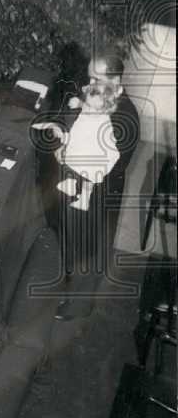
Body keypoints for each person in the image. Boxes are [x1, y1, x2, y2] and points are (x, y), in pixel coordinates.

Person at [43, 50, 140, 321]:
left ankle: (77, 307)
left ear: (116, 80)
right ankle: (64, 284)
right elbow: (76, 121)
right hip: (74, 181)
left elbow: (109, 165)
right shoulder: (97, 93)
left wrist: (69, 157)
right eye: (89, 77)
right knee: (70, 240)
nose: (88, 84)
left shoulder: (126, 117)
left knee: (89, 250)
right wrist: (62, 140)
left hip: (98, 192)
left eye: (96, 79)